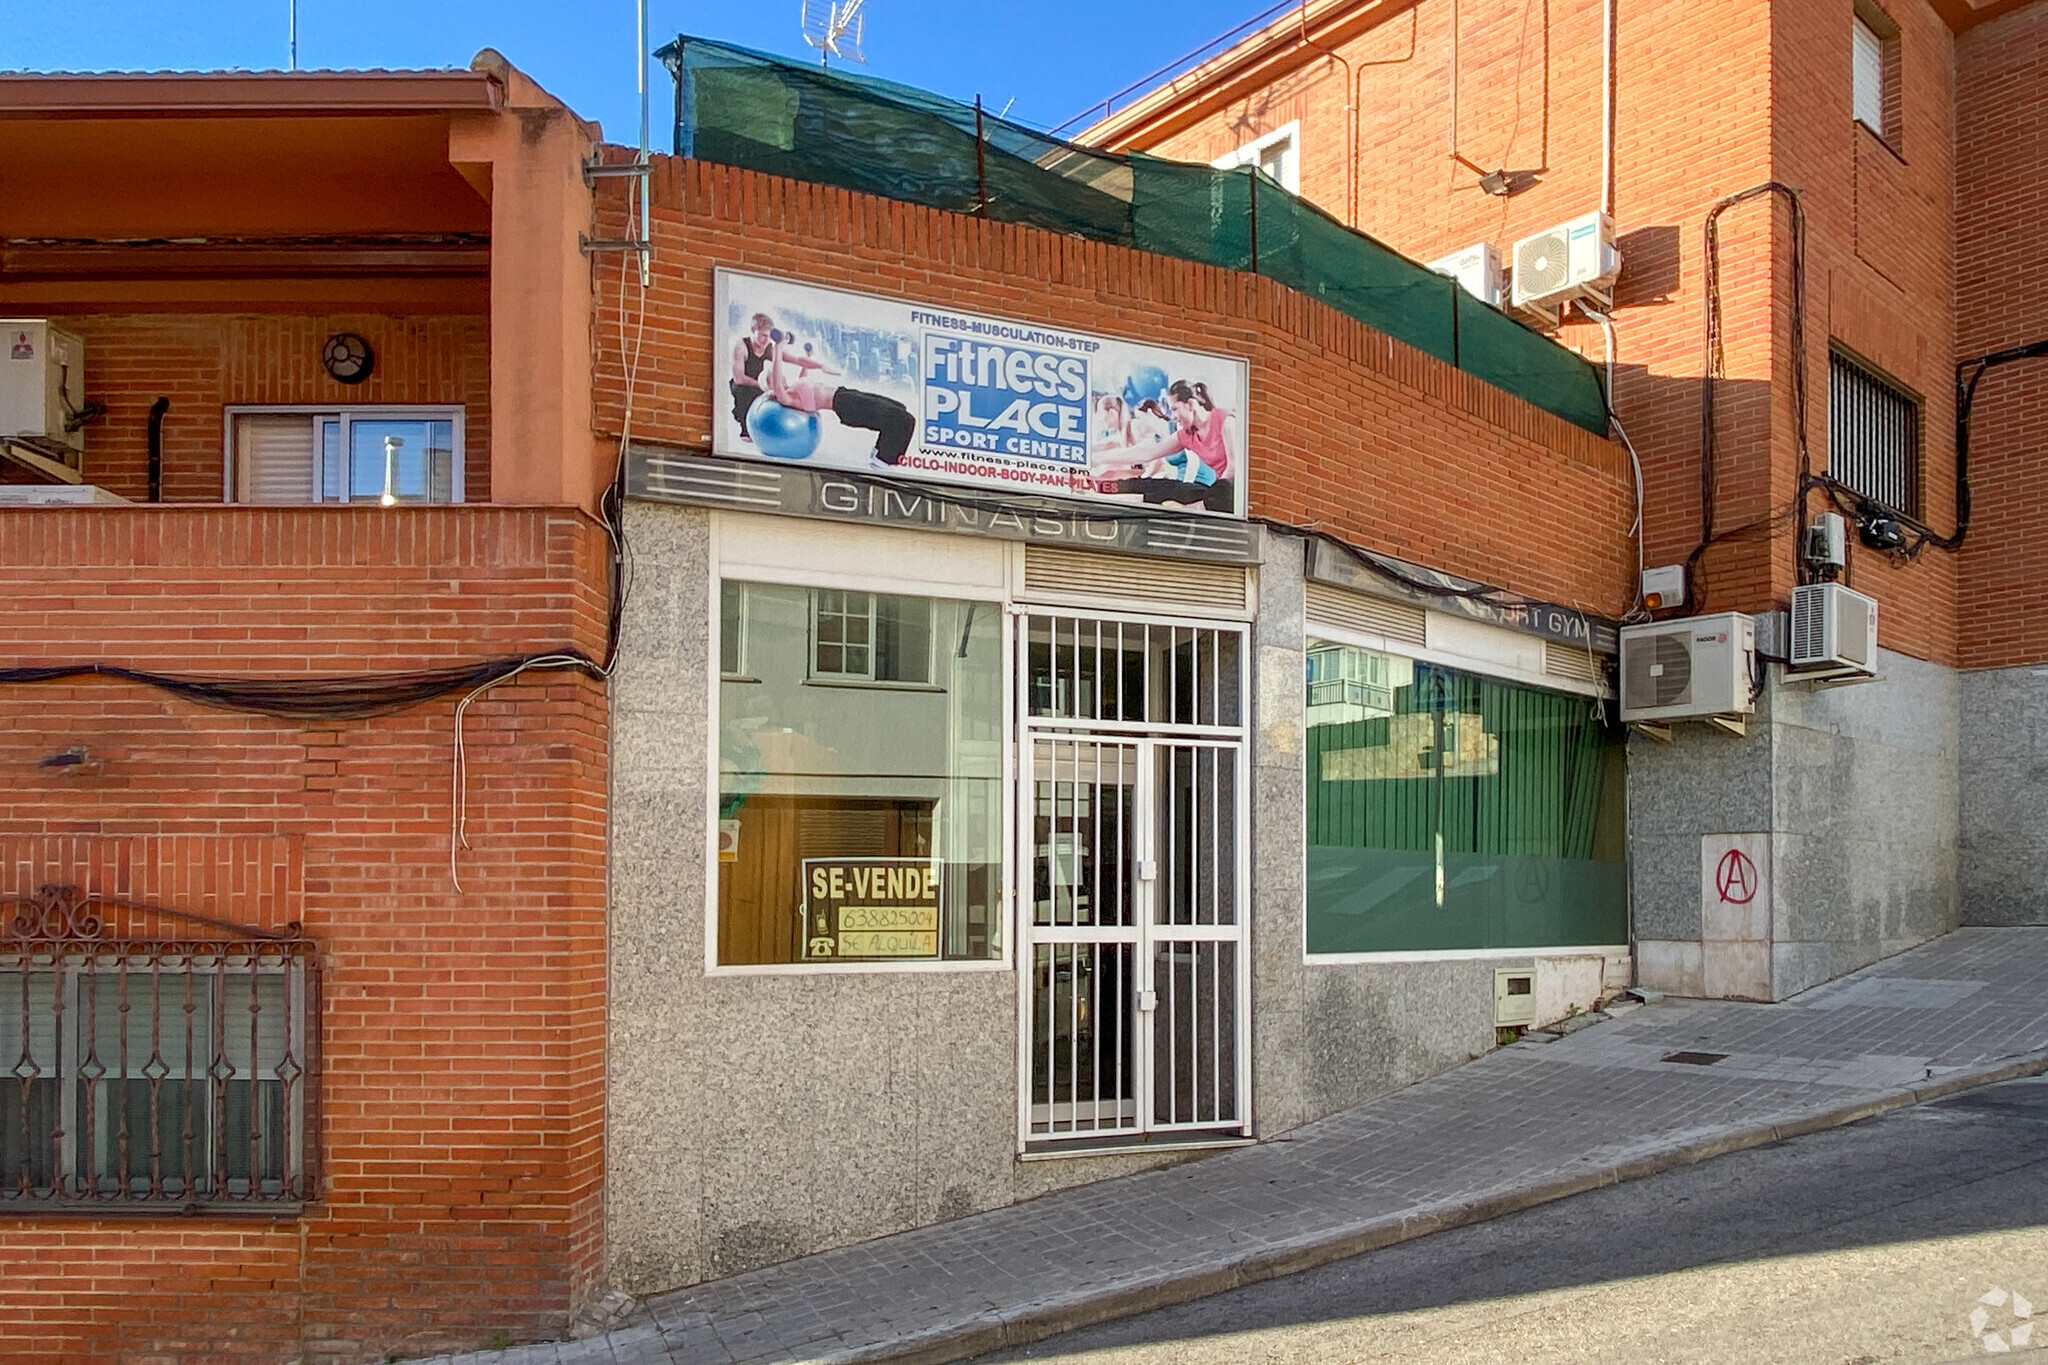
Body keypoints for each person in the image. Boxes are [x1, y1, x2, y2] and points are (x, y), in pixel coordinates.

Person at [761, 343, 917, 467]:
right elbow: (778, 383)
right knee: (899, 419)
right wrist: (778, 350)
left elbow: (805, 374)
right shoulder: (787, 398)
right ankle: (883, 461)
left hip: (844, 394)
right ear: (772, 385)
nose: (778, 376)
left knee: (903, 411)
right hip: (845, 405)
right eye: (772, 378)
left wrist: (808, 355)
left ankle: (890, 457)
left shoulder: (794, 387)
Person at [1093, 379, 1236, 513]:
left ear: (1190, 405)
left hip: (1227, 493)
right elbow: (1148, 453)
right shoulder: (1187, 434)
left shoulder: (1224, 419)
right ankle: (1105, 490)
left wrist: (1208, 501)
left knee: (1172, 491)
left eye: (1175, 409)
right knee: (1156, 485)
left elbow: (1233, 469)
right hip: (1212, 492)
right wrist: (1096, 458)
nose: (1173, 416)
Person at [729, 313, 777, 442]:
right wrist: (759, 384)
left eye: (769, 336)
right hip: (742, 384)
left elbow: (778, 372)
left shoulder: (771, 348)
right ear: (753, 331)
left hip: (762, 384)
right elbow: (738, 378)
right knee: (743, 390)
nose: (766, 340)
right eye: (763, 336)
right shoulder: (741, 346)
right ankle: (744, 427)